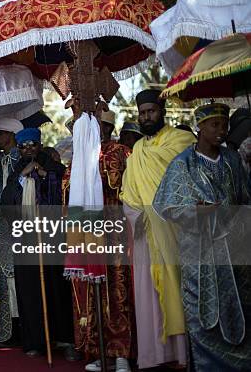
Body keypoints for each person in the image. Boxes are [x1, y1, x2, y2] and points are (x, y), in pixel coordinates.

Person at [154, 103, 251, 371]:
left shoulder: (232, 159)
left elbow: (245, 198)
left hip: (235, 251)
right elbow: (167, 206)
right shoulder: (183, 164)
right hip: (199, 251)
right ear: (200, 127)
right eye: (215, 125)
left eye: (224, 124)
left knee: (240, 306)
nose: (222, 130)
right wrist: (197, 212)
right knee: (201, 311)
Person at [120, 89, 196, 369]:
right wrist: (136, 215)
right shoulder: (137, 150)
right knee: (147, 292)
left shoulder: (182, 141)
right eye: (142, 113)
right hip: (144, 231)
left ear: (162, 111)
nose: (146, 117)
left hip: (176, 232)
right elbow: (127, 193)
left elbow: (190, 182)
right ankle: (154, 354)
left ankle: (183, 353)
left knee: (178, 287)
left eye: (151, 111)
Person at [65, 110, 135, 372]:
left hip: (114, 232)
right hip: (86, 233)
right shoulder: (79, 155)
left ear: (106, 127)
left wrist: (100, 172)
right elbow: (67, 187)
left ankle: (121, 353)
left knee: (117, 291)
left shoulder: (121, 152)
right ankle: (96, 349)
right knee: (89, 294)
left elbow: (123, 185)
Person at [0, 128, 76, 359]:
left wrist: (44, 176)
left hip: (52, 239)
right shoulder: (16, 172)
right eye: (23, 146)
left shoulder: (54, 168)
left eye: (32, 144)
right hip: (26, 241)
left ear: (40, 145)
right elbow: (6, 204)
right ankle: (36, 340)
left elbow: (63, 194)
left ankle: (64, 339)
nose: (28, 149)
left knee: (56, 288)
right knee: (30, 290)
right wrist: (24, 177)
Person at [0, 118, 23, 346]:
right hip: (0, 229)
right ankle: (6, 331)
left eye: (0, 134)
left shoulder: (26, 160)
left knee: (22, 277)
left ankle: (25, 328)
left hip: (23, 227)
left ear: (10, 135)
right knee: (3, 279)